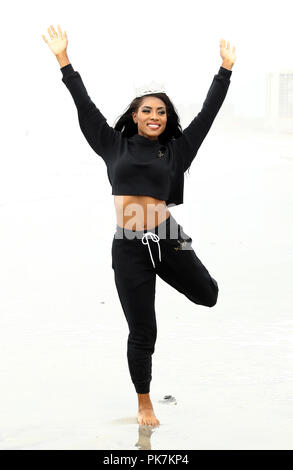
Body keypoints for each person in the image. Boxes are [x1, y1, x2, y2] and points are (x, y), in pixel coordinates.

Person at [42, 24, 236, 428]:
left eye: (161, 111)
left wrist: (225, 70)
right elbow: (85, 105)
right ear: (134, 115)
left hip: (167, 237)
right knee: (143, 330)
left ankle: (162, 270)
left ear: (167, 120)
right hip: (129, 245)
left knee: (209, 295)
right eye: (147, 110)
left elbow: (207, 114)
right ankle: (145, 402)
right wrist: (64, 60)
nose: (154, 116)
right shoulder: (112, 144)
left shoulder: (177, 150)